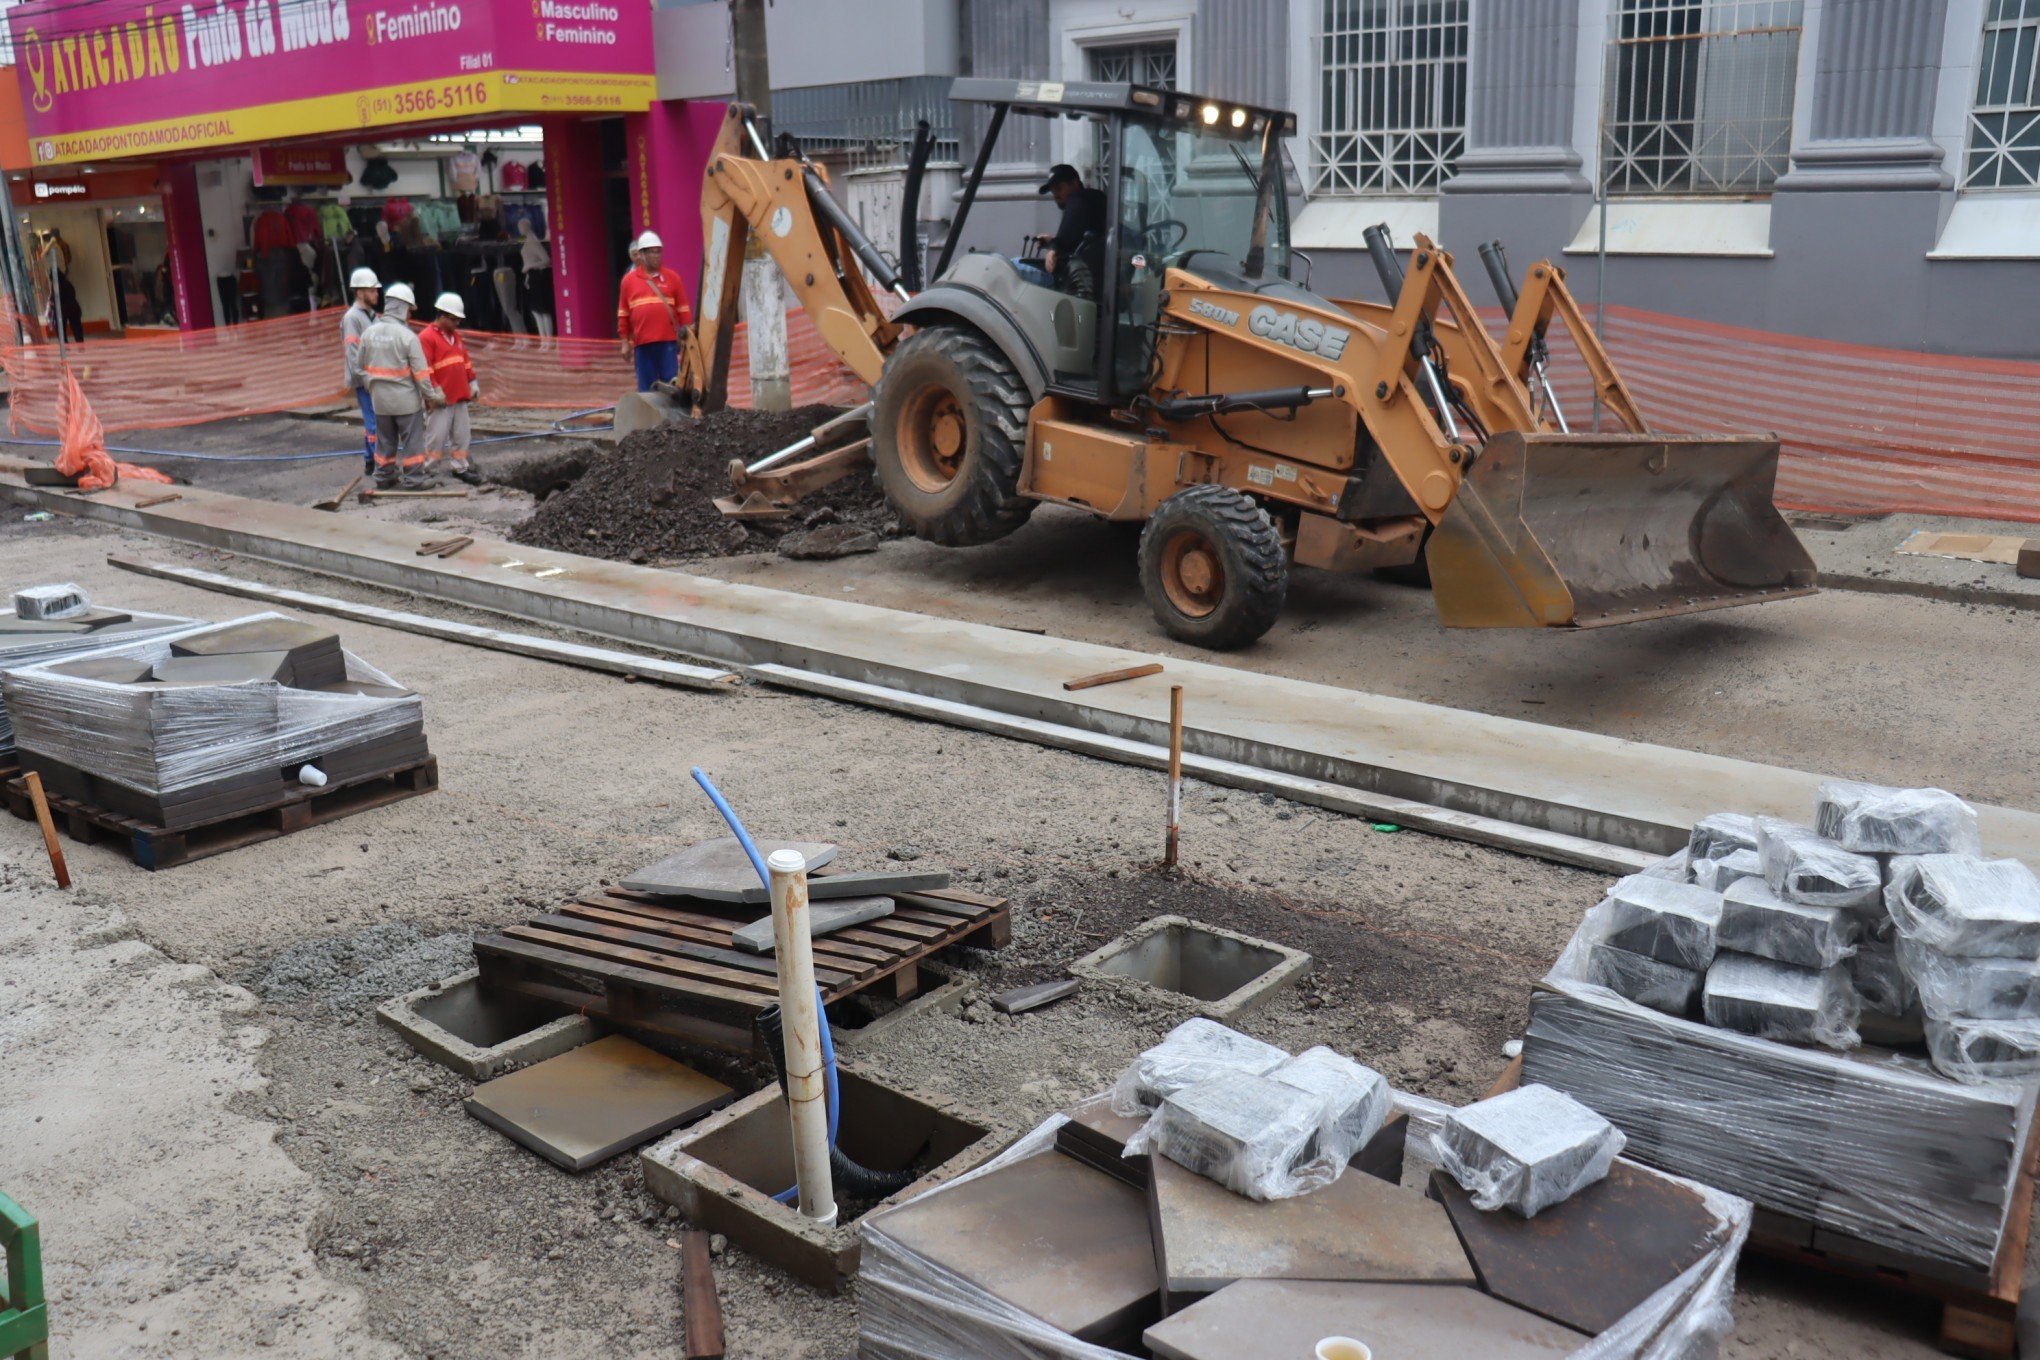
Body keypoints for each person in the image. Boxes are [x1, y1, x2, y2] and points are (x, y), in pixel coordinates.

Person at [357, 282, 443, 490]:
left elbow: (360, 367)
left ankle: (384, 477)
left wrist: (372, 386)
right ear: (403, 308)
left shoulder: (369, 333)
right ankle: (414, 480)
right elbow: (422, 375)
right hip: (406, 402)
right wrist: (430, 397)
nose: (410, 316)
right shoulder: (408, 337)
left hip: (380, 402)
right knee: (412, 441)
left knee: (384, 441)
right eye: (409, 311)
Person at [616, 230, 691, 392]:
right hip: (642, 345)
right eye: (651, 252)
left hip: (668, 343)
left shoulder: (673, 278)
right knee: (646, 389)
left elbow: (683, 310)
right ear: (641, 254)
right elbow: (623, 313)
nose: (656, 256)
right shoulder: (628, 281)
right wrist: (624, 342)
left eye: (658, 252)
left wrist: (688, 337)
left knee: (671, 386)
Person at [421, 292, 480, 485]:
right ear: (443, 316)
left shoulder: (456, 337)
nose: (457, 323)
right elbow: (425, 367)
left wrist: (472, 382)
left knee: (462, 435)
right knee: (436, 437)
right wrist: (434, 390)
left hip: (459, 396)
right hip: (442, 399)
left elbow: (466, 362)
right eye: (454, 319)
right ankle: (430, 469)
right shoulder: (427, 337)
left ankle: (460, 466)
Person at [1034, 164, 1108, 296]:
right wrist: (1052, 241)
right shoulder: (1095, 199)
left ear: (1074, 184)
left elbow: (1063, 244)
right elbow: (1075, 237)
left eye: (1059, 188)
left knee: (1015, 266)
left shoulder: (1077, 199)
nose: (1056, 195)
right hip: (1095, 278)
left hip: (1076, 280)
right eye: (1053, 191)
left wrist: (1053, 250)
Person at [341, 268, 381, 476]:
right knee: (375, 423)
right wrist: (364, 377)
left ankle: (369, 461)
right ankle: (380, 465)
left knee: (374, 421)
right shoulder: (353, 318)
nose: (376, 294)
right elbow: (352, 351)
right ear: (359, 292)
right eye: (372, 290)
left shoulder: (371, 316)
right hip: (365, 379)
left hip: (374, 376)